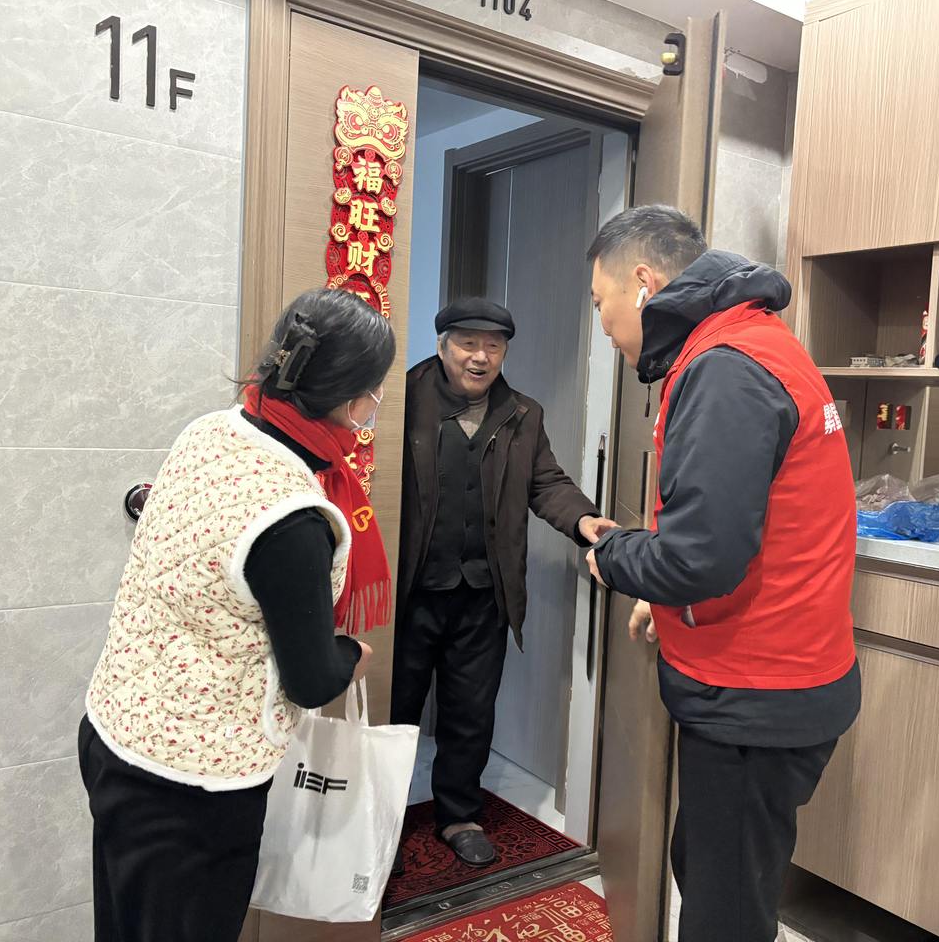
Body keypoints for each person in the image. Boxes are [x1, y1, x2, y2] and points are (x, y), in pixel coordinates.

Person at [79, 288, 395, 942]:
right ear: (352, 401)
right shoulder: (291, 517)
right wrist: (352, 657)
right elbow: (311, 678)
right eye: (375, 392)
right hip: (190, 787)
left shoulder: (212, 431)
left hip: (115, 731)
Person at [584, 206, 861, 942]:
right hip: (779, 675)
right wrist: (663, 600)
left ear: (642, 284)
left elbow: (699, 557)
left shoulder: (725, 368)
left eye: (602, 303)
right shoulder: (755, 342)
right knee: (713, 872)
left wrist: (615, 559)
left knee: (724, 912)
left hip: (758, 690)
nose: (604, 327)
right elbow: (735, 526)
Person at [392, 298, 618, 869]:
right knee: (395, 712)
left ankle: (459, 814)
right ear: (442, 344)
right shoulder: (401, 398)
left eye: (493, 346)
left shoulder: (521, 413)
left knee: (470, 710)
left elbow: (547, 483)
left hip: (482, 595)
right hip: (409, 594)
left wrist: (584, 520)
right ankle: (378, 817)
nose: (480, 357)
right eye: (468, 343)